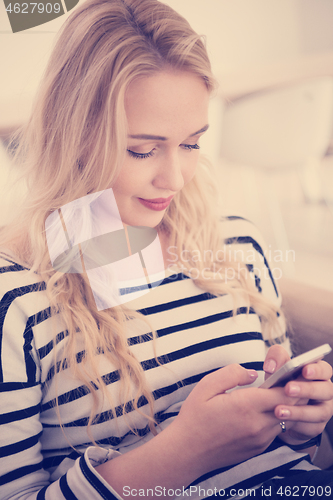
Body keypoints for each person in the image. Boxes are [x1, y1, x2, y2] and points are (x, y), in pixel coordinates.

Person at [0, 0, 333, 498]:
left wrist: (299, 426)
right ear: (74, 135)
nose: (174, 178)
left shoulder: (238, 244)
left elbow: (304, 458)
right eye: (142, 149)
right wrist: (184, 451)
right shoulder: (18, 300)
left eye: (193, 142)